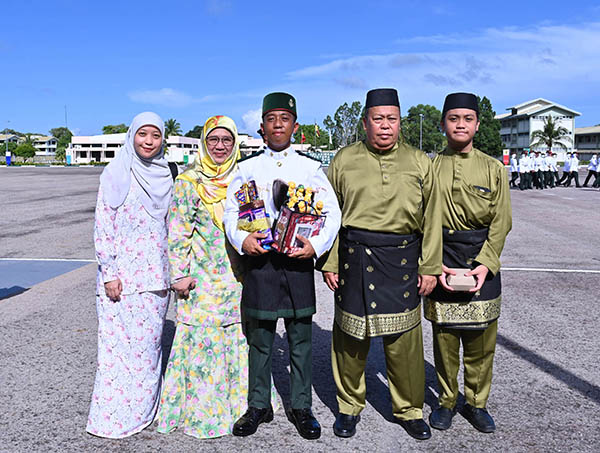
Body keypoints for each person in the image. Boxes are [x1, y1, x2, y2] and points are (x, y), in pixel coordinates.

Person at [318, 88, 442, 441]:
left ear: (400, 122)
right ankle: (348, 406)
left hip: (402, 259)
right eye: (378, 119)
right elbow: (329, 215)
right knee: (350, 340)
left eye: (392, 119)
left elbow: (433, 217)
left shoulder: (419, 161)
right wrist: (330, 261)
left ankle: (409, 410)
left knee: (404, 343)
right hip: (354, 256)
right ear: (365, 122)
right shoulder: (344, 160)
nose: (385, 126)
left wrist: (430, 266)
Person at [223, 92, 341, 440]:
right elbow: (231, 212)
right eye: (271, 119)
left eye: (284, 119)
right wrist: (241, 239)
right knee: (260, 339)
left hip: (296, 263)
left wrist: (316, 246)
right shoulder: (246, 168)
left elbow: (332, 212)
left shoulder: (310, 168)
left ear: (295, 126)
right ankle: (258, 405)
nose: (278, 125)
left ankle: (301, 407)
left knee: (300, 340)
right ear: (262, 126)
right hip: (260, 263)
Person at [156, 115, 277, 438]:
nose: (220, 146)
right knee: (203, 341)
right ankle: (204, 413)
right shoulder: (189, 182)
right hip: (202, 278)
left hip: (238, 277)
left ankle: (245, 407)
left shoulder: (243, 178)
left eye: (226, 140)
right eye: (213, 140)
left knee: (240, 338)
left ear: (235, 143)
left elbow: (258, 222)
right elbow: (178, 232)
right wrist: (179, 275)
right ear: (204, 143)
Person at [425, 93, 512, 434]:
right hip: (443, 256)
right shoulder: (430, 167)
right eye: (453, 118)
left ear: (477, 124)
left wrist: (486, 263)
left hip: (481, 259)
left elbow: (502, 221)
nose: (460, 125)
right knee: (445, 341)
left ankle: (476, 403)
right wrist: (434, 264)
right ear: (443, 124)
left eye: (467, 118)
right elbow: (421, 220)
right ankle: (447, 401)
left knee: (481, 343)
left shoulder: (494, 168)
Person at [87, 112, 173, 438]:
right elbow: (103, 224)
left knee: (148, 351)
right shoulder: (115, 172)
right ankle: (111, 419)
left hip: (156, 279)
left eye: (155, 135)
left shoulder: (166, 175)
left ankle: (144, 412)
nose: (148, 141)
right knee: (115, 353)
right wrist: (109, 273)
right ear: (132, 136)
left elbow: (172, 229)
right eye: (142, 134)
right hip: (120, 281)